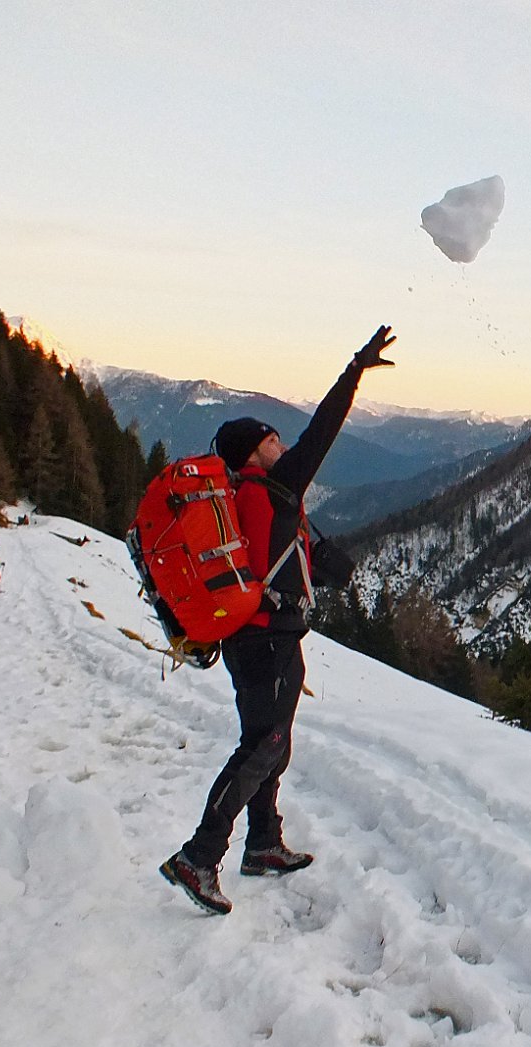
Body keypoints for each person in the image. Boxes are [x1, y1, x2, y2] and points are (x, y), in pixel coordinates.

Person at [160, 326, 396, 915]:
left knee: (270, 739)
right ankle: (198, 855)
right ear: (254, 451)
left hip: (250, 635)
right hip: (269, 637)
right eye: (271, 439)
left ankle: (263, 843)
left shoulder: (243, 497)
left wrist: (320, 561)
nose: (281, 443)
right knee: (265, 742)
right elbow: (323, 431)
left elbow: (273, 554)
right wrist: (355, 371)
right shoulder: (275, 484)